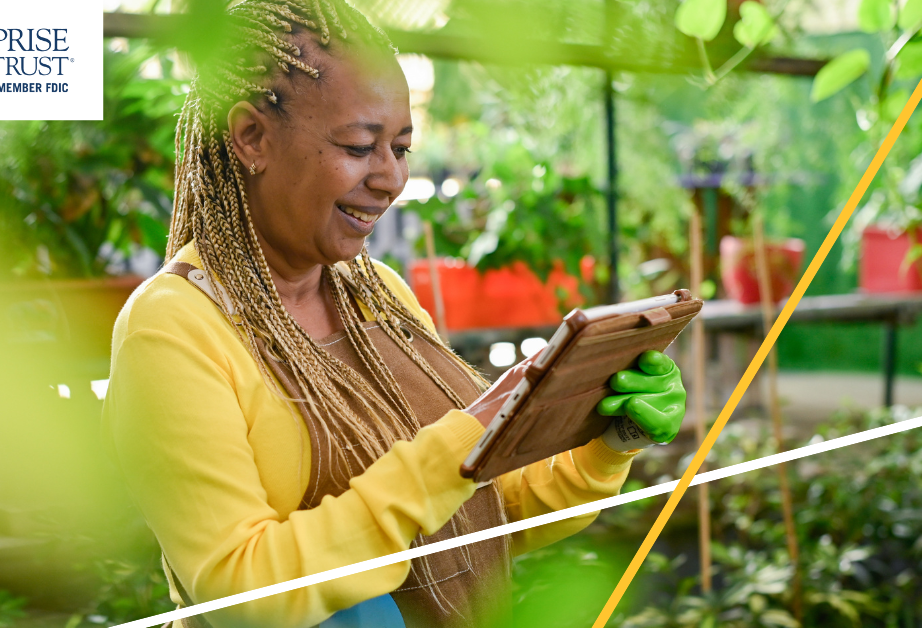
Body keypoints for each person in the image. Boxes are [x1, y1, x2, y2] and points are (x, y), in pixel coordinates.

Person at [102, 2, 687, 627]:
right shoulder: (172, 329)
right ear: (252, 138)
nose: (390, 178)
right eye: (359, 146)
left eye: (401, 147)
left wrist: (605, 440)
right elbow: (243, 592)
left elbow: (483, 514)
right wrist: (459, 444)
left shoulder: (377, 295)